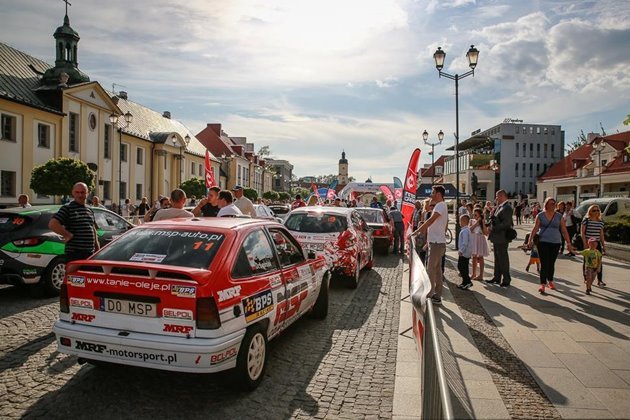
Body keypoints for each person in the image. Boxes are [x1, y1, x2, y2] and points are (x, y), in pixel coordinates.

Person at [527, 197, 574, 294]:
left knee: (551, 263)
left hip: (556, 242)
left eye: (554, 203)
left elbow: (564, 230)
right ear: (546, 204)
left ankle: (550, 280)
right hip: (543, 241)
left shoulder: (558, 216)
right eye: (551, 203)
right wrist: (530, 239)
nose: (553, 205)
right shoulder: (540, 215)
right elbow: (535, 228)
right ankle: (543, 284)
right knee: (544, 263)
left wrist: (569, 243)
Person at [412, 185, 448, 305]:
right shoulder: (440, 205)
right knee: (437, 270)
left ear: (438, 194)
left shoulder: (440, 205)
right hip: (435, 242)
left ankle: (430, 293)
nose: (431, 194)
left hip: (437, 243)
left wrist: (417, 231)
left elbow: (431, 220)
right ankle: (437, 295)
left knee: (431, 269)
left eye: (433, 192)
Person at [48, 182, 99, 262]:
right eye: (77, 192)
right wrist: (67, 235)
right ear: (72, 193)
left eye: (82, 192)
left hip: (89, 254)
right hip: (74, 254)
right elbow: (53, 224)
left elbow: (92, 229)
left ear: (87, 193)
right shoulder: (67, 208)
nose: (80, 195)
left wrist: (97, 247)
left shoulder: (89, 210)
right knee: (73, 274)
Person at [486, 190, 514, 287]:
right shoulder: (500, 207)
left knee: (503, 258)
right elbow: (496, 220)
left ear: (502, 196)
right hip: (497, 236)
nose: (496, 198)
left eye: (497, 196)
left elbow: (506, 223)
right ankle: (497, 277)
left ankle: (506, 279)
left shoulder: (507, 208)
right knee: (497, 258)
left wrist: (494, 228)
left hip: (502, 237)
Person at [580, 205, 606, 286]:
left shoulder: (600, 221)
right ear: (590, 211)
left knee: (599, 262)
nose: (596, 212)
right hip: (589, 244)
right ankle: (586, 278)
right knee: (587, 262)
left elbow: (601, 234)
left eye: (597, 210)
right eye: (594, 210)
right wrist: (585, 243)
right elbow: (582, 233)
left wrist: (603, 245)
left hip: (597, 244)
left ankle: (599, 280)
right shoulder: (586, 220)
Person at [470, 208, 489, 280]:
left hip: (480, 240)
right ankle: (473, 273)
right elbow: (469, 230)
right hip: (474, 240)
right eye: (474, 215)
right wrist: (476, 223)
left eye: (476, 215)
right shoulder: (472, 221)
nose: (474, 216)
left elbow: (486, 233)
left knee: (481, 257)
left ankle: (481, 275)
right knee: (474, 257)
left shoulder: (482, 222)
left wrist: (482, 223)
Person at [457, 214, 473, 290]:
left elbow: (465, 243)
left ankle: (467, 281)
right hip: (466, 252)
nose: (459, 222)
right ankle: (465, 282)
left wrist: (461, 251)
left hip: (464, 253)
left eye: (460, 221)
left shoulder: (465, 231)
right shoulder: (465, 230)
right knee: (463, 267)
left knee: (461, 267)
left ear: (463, 221)